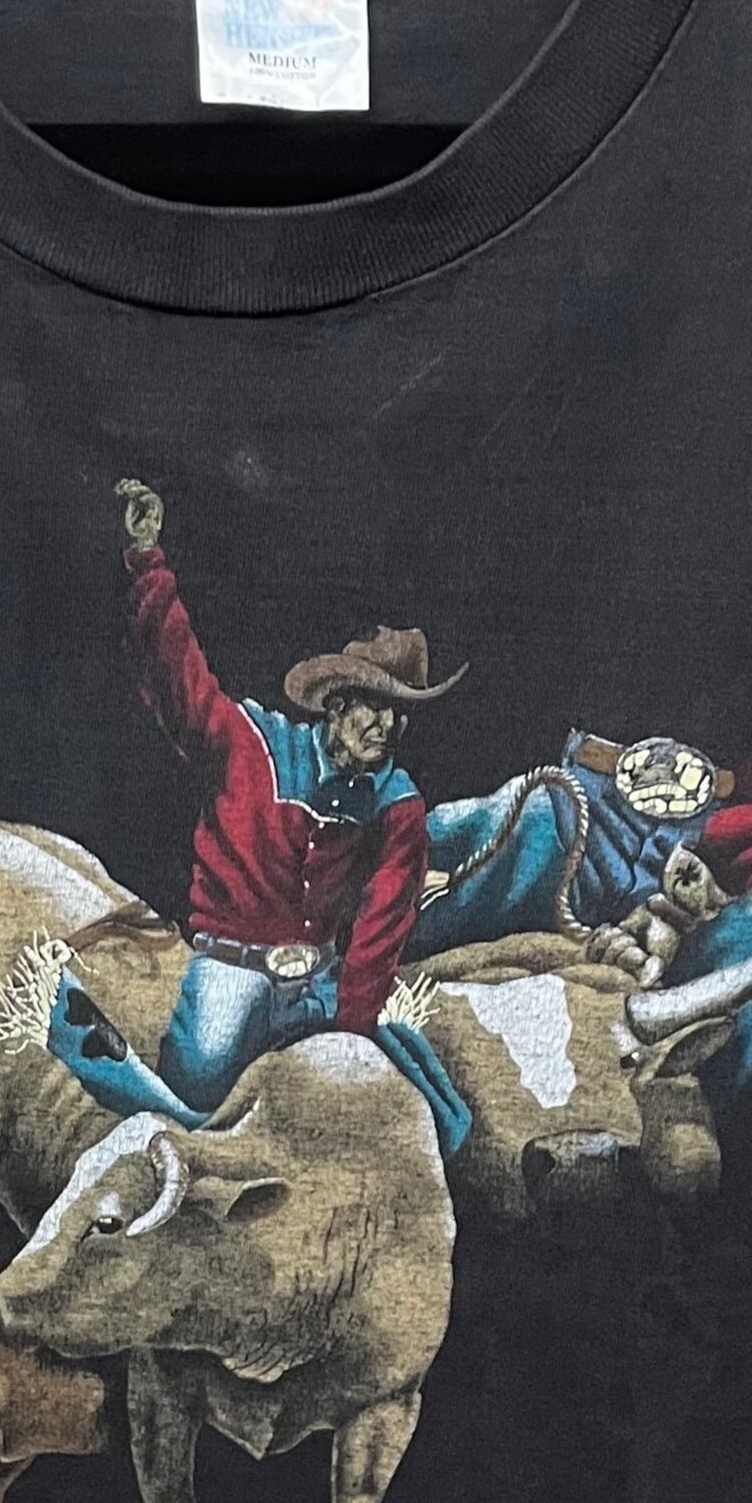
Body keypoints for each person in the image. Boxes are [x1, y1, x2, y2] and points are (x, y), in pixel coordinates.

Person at [116, 476, 462, 1118]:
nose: (384, 727)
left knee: (356, 1109)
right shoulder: (253, 744)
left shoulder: (397, 804)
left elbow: (381, 931)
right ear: (336, 704)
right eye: (372, 707)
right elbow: (176, 678)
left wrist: (350, 1035)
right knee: (193, 1094)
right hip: (231, 974)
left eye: (398, 716)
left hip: (320, 986)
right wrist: (147, 561)